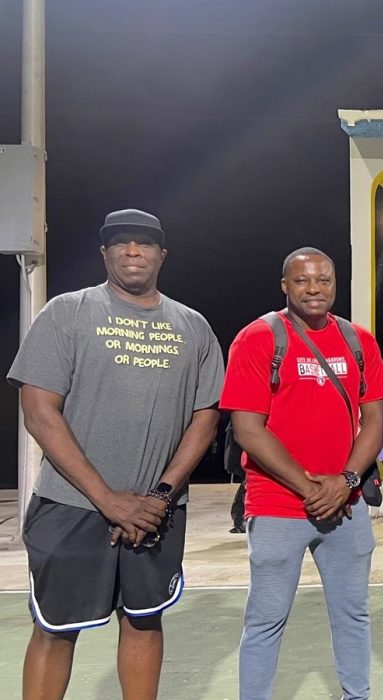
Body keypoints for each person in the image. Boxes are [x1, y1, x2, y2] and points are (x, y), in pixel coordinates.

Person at [7, 208, 224, 700]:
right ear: (104, 253)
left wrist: (162, 494)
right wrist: (108, 498)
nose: (133, 252)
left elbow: (206, 417)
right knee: (56, 628)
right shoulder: (68, 311)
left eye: (144, 244)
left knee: (145, 621)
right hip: (72, 506)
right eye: (121, 243)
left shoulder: (193, 326)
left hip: (157, 512)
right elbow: (39, 411)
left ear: (161, 255)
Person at [220, 247, 383, 700]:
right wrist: (313, 487)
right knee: (266, 618)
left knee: (353, 614)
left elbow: (376, 419)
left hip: (345, 508)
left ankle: (357, 695)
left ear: (335, 283)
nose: (314, 289)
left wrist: (347, 480)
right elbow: (248, 430)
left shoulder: (358, 341)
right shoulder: (258, 338)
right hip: (277, 507)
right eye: (302, 281)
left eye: (324, 280)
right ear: (285, 286)